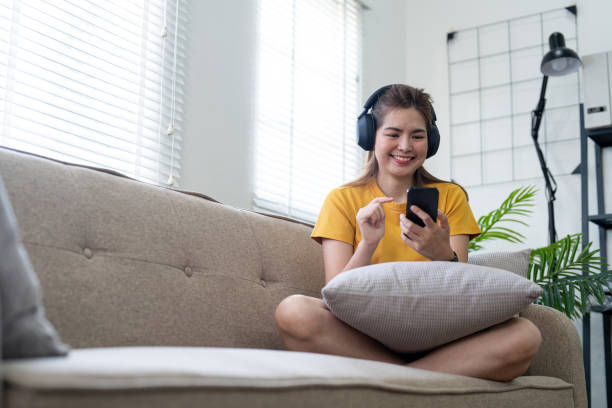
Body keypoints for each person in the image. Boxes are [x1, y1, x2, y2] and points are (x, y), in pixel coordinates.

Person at [274, 84, 542, 382]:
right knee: (293, 311)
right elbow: (335, 295)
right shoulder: (342, 200)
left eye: (417, 136)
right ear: (369, 136)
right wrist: (368, 243)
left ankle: (397, 380)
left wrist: (444, 255)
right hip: (363, 339)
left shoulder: (450, 196)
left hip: (446, 339)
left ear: (431, 141)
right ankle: (415, 380)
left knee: (525, 335)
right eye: (393, 134)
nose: (406, 146)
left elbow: (463, 294)